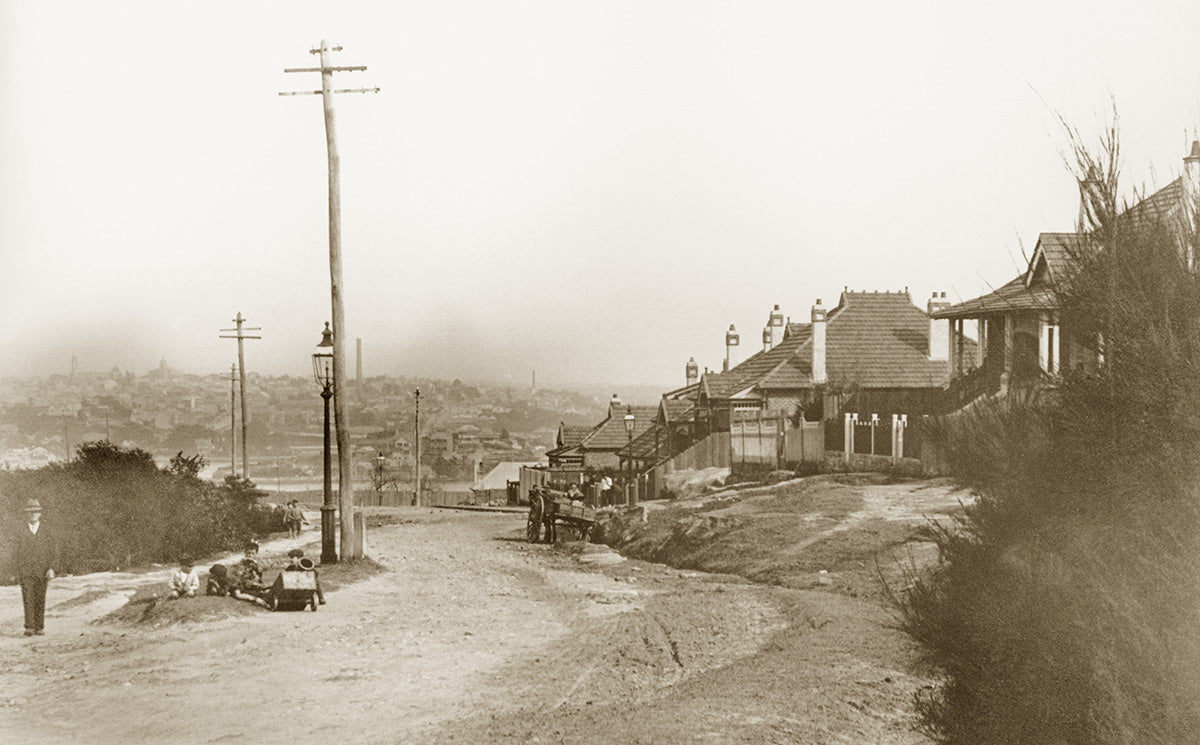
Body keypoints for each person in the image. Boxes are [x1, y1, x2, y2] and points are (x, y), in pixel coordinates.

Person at [14, 498, 57, 636]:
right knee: (27, 598)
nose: (33, 514)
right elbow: (15, 552)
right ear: (27, 514)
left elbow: (54, 551)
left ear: (40, 514)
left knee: (40, 598)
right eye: (30, 512)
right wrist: (16, 570)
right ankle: (29, 627)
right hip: (25, 571)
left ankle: (39, 627)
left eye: (35, 512)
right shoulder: (20, 531)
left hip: (42, 570)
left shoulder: (47, 531)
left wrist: (51, 568)